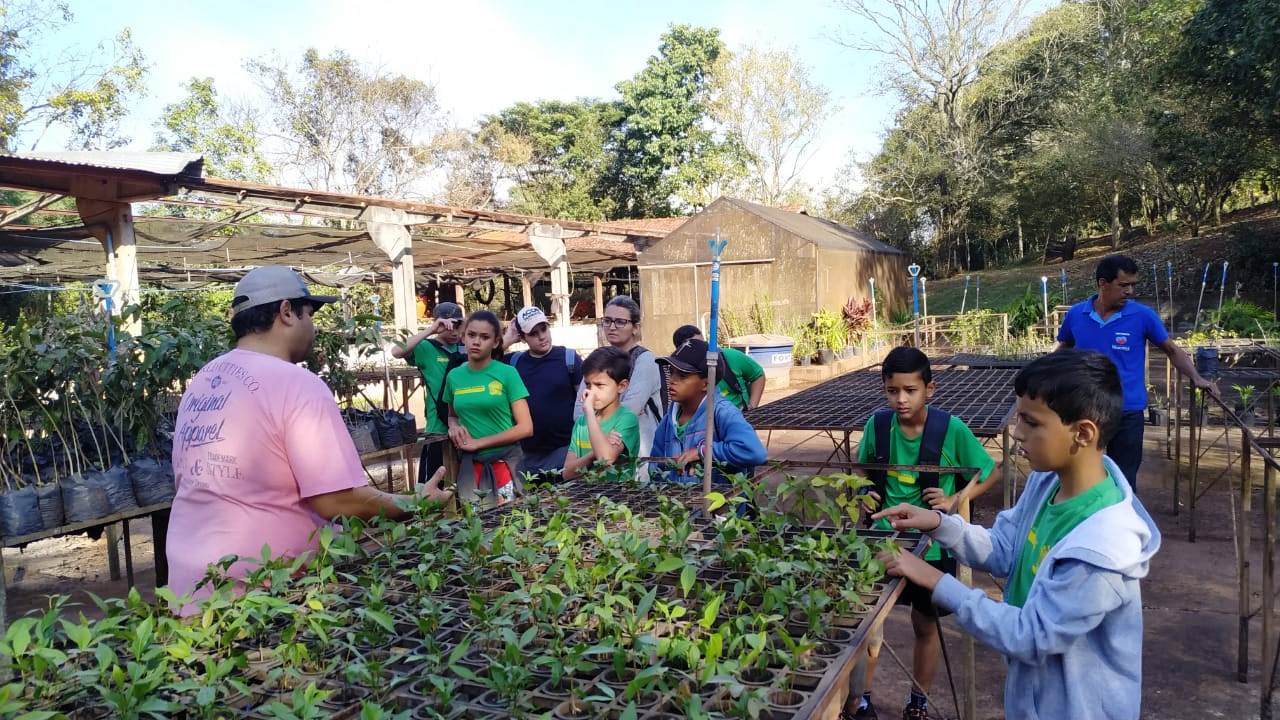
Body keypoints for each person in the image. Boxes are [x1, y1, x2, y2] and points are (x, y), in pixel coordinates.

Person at [874, 350, 1161, 720]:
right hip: (1034, 698)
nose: (1017, 432)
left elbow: (1030, 635)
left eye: (1031, 422)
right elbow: (1004, 548)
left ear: (1083, 432)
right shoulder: (1048, 482)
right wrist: (938, 523)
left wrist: (931, 577)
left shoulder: (1103, 549)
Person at [167, 266, 451, 612]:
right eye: (310, 314)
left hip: (190, 587)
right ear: (286, 312)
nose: (313, 327)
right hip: (263, 595)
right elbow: (336, 501)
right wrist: (415, 502)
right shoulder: (295, 383)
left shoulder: (205, 379)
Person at [847, 347, 996, 720]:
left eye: (910, 390)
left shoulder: (951, 429)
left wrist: (956, 498)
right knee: (868, 624)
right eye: (892, 391)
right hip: (881, 542)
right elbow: (861, 468)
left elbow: (989, 470)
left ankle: (918, 700)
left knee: (924, 624)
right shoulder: (877, 427)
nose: (901, 399)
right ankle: (862, 698)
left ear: (930, 389)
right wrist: (863, 491)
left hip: (930, 551)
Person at [1056, 254, 1216, 489]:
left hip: (1127, 411)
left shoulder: (1142, 316)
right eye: (1123, 285)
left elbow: (1172, 350)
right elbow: (1063, 348)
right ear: (1103, 283)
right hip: (1086, 409)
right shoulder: (1076, 315)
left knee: (1124, 479)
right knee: (1081, 474)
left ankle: (1120, 522)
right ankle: (1086, 522)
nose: (1130, 291)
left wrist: (1197, 377)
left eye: (1133, 285)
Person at [444, 310, 533, 506]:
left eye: (484, 337)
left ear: (495, 342)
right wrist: (454, 427)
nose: (476, 341)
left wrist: (479, 443)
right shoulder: (454, 377)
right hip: (470, 467)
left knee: (511, 525)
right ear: (463, 337)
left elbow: (526, 427)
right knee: (477, 529)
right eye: (472, 335)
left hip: (506, 465)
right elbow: (452, 415)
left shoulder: (507, 373)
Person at [650, 338, 768, 484]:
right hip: (678, 504)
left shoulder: (722, 412)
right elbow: (655, 464)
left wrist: (703, 452)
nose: (672, 380)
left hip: (718, 505)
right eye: (671, 372)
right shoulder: (670, 418)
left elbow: (755, 452)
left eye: (682, 376)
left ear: (706, 383)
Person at [501, 306, 583, 481]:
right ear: (522, 337)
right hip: (526, 454)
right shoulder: (513, 362)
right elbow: (480, 359)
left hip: (565, 450)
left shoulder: (569, 358)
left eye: (544, 329)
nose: (541, 336)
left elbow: (584, 401)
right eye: (533, 333)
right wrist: (507, 340)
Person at [391, 301, 465, 485]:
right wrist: (431, 330)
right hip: (438, 428)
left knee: (464, 486)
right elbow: (396, 351)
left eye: (458, 325)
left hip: (467, 426)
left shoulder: (466, 346)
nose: (454, 331)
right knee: (433, 484)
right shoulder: (426, 348)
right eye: (449, 326)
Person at [600, 296, 664, 458]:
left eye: (620, 321)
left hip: (640, 449)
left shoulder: (645, 360)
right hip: (603, 446)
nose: (612, 327)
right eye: (607, 320)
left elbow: (630, 409)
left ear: (635, 327)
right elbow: (580, 411)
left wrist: (598, 412)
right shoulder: (598, 359)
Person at [563, 347, 641, 480]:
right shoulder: (582, 422)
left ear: (621, 386)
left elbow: (606, 459)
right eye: (588, 385)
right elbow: (567, 474)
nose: (591, 392)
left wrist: (589, 411)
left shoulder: (627, 419)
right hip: (585, 498)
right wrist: (593, 453)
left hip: (619, 498)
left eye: (599, 385)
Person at [671, 324, 766, 411]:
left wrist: (752, 405)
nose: (704, 348)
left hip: (738, 414)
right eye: (697, 347)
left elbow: (758, 374)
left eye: (703, 343)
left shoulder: (729, 356)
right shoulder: (678, 372)